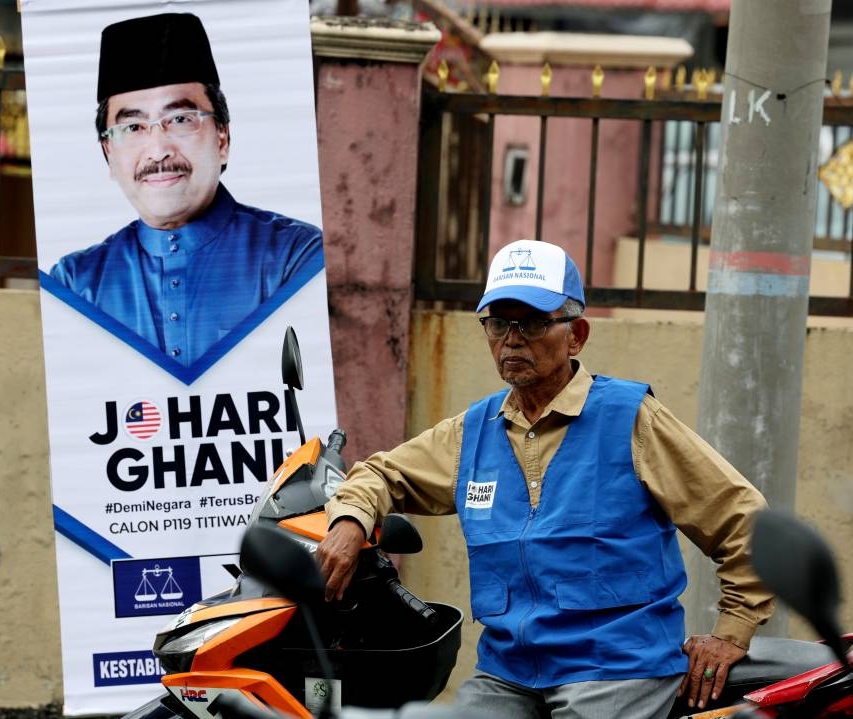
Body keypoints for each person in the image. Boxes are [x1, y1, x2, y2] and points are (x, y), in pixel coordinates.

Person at [317, 239, 775, 719]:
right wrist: (349, 521)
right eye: (498, 323)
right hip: (510, 672)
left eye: (533, 323)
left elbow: (743, 519)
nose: (512, 339)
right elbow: (381, 473)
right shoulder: (474, 431)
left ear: (576, 335)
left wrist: (732, 630)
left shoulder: (630, 419)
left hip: (614, 667)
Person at [48, 12, 324, 367]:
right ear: (108, 153)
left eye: (180, 120)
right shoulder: (76, 285)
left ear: (222, 137)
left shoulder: (294, 258)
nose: (158, 149)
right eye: (132, 127)